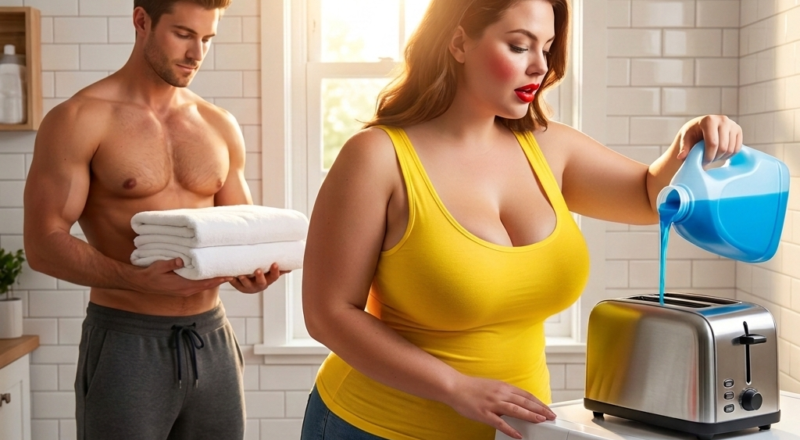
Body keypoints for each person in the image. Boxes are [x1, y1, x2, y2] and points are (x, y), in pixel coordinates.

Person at [300, 0, 743, 439]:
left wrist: (687, 143)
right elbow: (328, 313)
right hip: (375, 426)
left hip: (517, 432)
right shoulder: (377, 157)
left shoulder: (550, 148)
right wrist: (456, 388)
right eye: (519, 46)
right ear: (458, 42)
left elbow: (651, 198)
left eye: (547, 48)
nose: (540, 67)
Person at [22, 1, 285, 439]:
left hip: (212, 339)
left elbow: (241, 229)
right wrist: (135, 278)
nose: (197, 54)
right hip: (128, 341)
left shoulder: (219, 124)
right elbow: (43, 243)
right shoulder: (79, 119)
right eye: (183, 34)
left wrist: (250, 269)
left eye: (207, 39)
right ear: (142, 21)